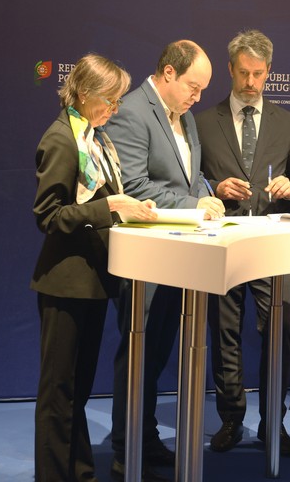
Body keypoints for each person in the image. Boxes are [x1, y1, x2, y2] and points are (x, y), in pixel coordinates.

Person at [30, 54, 158, 482]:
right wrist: (111, 206)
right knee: (58, 393)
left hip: (93, 283)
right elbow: (49, 216)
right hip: (64, 284)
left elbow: (101, 203)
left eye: (119, 101)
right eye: (110, 100)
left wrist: (129, 208)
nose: (115, 109)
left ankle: (81, 473)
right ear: (84, 94)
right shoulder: (62, 139)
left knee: (78, 393)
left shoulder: (95, 138)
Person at [107, 40, 224, 482]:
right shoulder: (132, 112)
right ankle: (125, 449)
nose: (198, 97)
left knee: (156, 355)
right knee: (138, 354)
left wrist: (209, 193)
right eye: (194, 86)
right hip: (147, 259)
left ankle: (146, 435)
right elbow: (134, 187)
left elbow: (188, 178)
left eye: (203, 89)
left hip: (179, 255)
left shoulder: (185, 116)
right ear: (169, 73)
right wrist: (195, 205)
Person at [195, 29, 290, 457]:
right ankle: (231, 419)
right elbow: (190, 178)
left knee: (281, 329)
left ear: (269, 72)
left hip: (271, 244)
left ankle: (272, 422)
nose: (250, 82)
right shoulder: (202, 121)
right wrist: (213, 187)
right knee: (224, 332)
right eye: (243, 73)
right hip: (222, 241)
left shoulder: (287, 122)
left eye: (258, 74)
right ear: (230, 69)